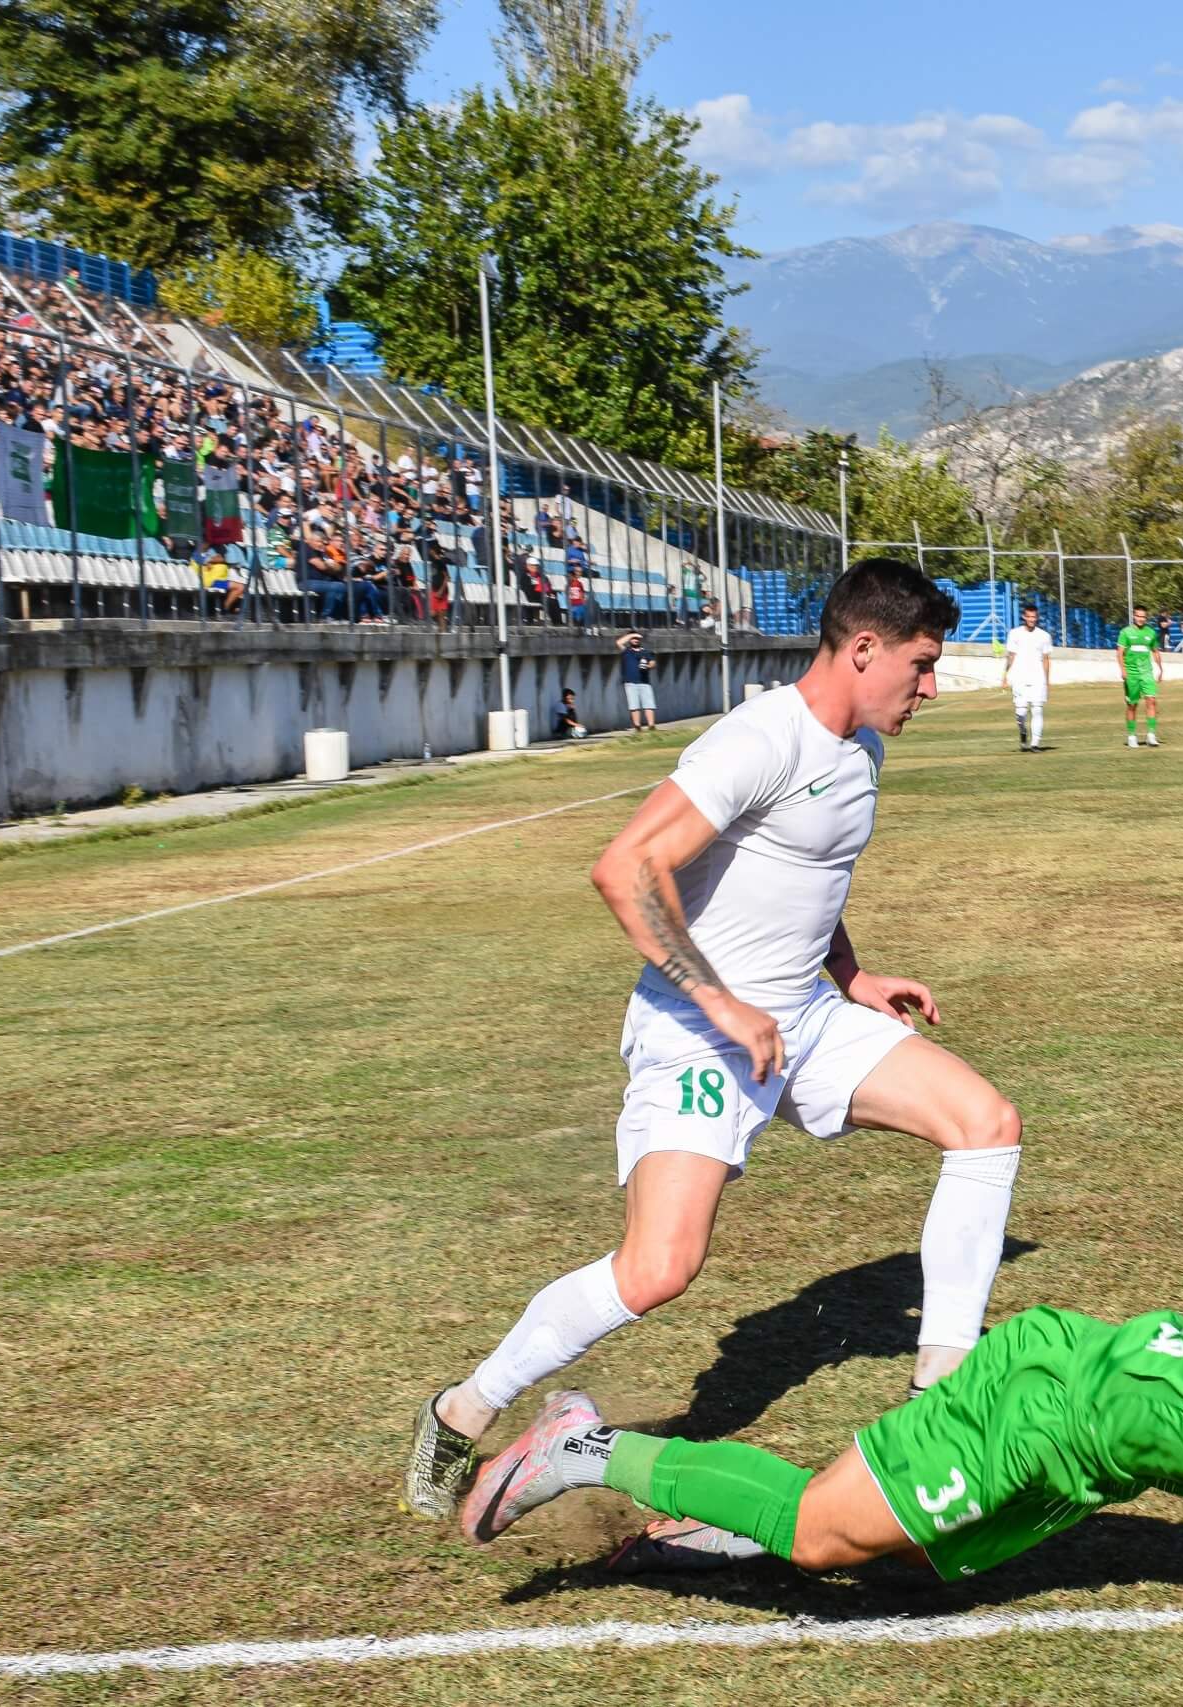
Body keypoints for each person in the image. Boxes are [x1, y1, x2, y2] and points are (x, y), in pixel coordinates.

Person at [401, 561, 1024, 1528]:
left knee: (985, 1123)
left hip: (802, 1023)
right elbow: (625, 867)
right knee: (657, 1268)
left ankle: (938, 1395)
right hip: (700, 1034)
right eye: (923, 664)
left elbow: (808, 881)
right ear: (863, 649)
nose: (931, 688)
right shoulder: (760, 737)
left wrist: (850, 976)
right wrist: (726, 1007)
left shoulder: (861, 747)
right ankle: (463, 1408)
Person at [463, 1309, 1183, 1694]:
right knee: (825, 1536)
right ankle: (591, 1446)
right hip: (1048, 1405)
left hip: (1088, 1454)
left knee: (918, 1568)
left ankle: (712, 1533)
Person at [1003, 601, 1052, 751]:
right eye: (1029, 617)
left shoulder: (1044, 636)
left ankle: (1035, 743)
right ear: (1024, 617)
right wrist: (1005, 675)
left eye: (1034, 617)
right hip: (1019, 676)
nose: (1031, 620)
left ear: (1037, 618)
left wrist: (1047, 680)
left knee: (1037, 709)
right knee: (1021, 712)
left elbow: (1046, 659)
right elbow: (1011, 656)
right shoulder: (1014, 633)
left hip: (1037, 677)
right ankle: (1023, 732)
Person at [1119, 603, 1163, 748]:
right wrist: (1123, 670)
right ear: (1134, 616)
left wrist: (1160, 669)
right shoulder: (1125, 632)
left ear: (1146, 618)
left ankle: (1151, 735)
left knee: (1151, 701)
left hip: (1147, 672)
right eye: (1138, 616)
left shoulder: (1150, 633)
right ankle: (1132, 736)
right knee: (1132, 704)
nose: (1140, 619)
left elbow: (1155, 651)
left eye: (1143, 617)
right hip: (1132, 673)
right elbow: (1119, 653)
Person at [619, 630, 659, 732]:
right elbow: (619, 643)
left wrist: (647, 666)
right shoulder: (626, 651)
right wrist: (632, 634)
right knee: (634, 705)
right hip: (630, 682)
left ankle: (651, 725)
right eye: (633, 638)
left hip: (644, 682)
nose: (635, 640)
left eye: (637, 638)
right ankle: (637, 726)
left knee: (649, 704)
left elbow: (653, 662)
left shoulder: (645, 652)